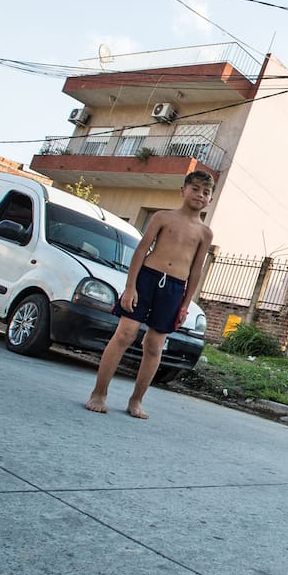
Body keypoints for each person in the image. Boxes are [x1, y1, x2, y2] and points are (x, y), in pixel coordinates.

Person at [86, 170, 215, 418]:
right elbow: (141, 250)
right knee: (125, 334)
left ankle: (136, 400)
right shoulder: (162, 217)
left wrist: (185, 305)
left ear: (210, 199)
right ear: (183, 191)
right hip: (147, 279)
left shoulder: (205, 233)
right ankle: (99, 393)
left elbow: (196, 270)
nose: (200, 195)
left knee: (155, 345)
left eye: (206, 192)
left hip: (175, 289)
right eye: (195, 188)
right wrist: (131, 286)